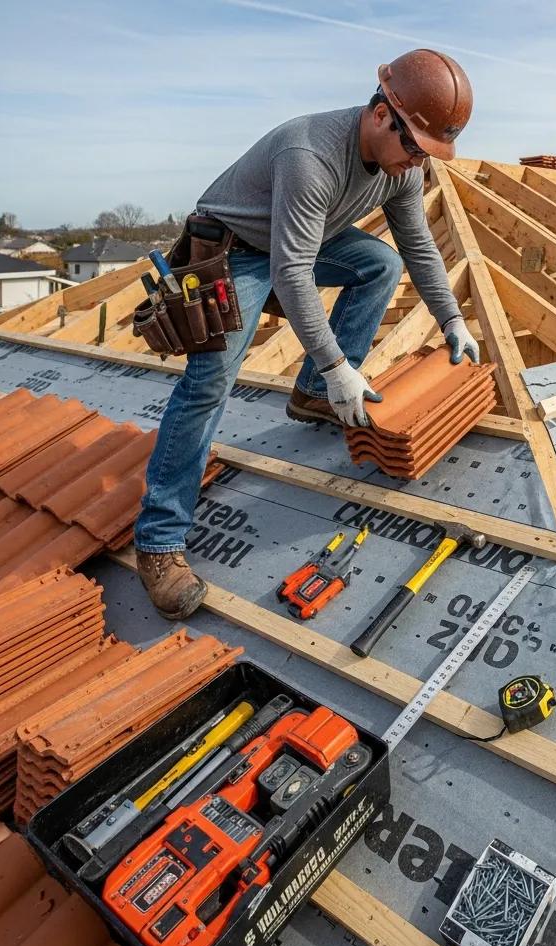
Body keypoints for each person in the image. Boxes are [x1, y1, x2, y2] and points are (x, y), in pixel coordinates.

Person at [133, 49, 479, 620]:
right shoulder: (311, 154)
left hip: (302, 237)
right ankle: (159, 543)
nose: (417, 161)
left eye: (427, 151)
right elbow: (289, 271)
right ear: (380, 115)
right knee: (209, 384)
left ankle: (314, 391)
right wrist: (342, 363)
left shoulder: (403, 168)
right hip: (238, 248)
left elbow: (418, 247)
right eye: (414, 144)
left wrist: (452, 319)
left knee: (382, 264)